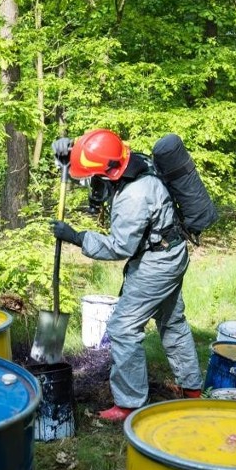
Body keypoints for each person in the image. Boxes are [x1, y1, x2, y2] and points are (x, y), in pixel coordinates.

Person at [51, 129, 203, 421]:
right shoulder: (131, 162)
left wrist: (77, 237)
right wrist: (66, 158)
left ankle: (130, 404)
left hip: (156, 263)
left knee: (123, 328)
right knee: (172, 322)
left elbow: (120, 246)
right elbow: (93, 167)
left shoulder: (133, 196)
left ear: (109, 173)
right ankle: (192, 389)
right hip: (170, 251)